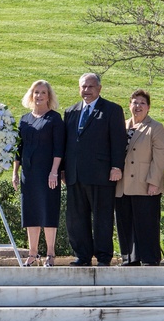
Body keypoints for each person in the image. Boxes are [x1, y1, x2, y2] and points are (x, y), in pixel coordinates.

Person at [61, 72, 127, 266]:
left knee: (102, 218)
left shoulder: (112, 110)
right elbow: (68, 144)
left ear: (99, 88)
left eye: (90, 87)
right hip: (75, 175)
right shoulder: (71, 112)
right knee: (76, 218)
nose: (86, 90)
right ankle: (82, 255)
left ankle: (104, 256)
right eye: (83, 86)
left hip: (101, 174)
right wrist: (64, 169)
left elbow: (118, 141)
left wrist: (116, 166)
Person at [12, 80, 65, 267]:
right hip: (29, 174)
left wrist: (54, 172)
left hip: (47, 174)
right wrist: (15, 173)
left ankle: (50, 254)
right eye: (36, 92)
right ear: (31, 95)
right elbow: (19, 148)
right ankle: (33, 253)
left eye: (43, 92)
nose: (39, 96)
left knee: (48, 211)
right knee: (31, 213)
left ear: (49, 96)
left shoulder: (54, 119)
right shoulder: (24, 119)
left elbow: (59, 148)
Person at [114, 89, 164, 266]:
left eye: (142, 103)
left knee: (146, 223)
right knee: (125, 223)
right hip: (123, 185)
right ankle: (129, 258)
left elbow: (160, 158)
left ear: (149, 107)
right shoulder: (121, 126)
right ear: (129, 105)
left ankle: (149, 258)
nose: (138, 106)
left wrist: (153, 182)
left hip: (145, 184)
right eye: (135, 102)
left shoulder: (155, 128)